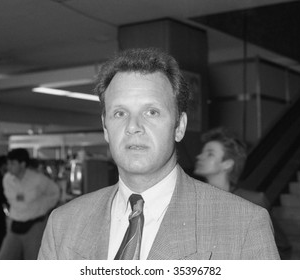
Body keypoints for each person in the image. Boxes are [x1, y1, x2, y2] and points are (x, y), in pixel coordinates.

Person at [38, 48, 279, 260]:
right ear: (105, 128)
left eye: (151, 112)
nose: (133, 126)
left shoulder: (244, 225)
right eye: (120, 113)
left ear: (179, 126)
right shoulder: (63, 224)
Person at [194, 127, 291, 259]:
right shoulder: (193, 201)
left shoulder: (253, 202)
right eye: (202, 152)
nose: (199, 156)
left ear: (227, 164)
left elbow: (281, 248)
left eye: (210, 154)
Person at [0, 148, 60, 260]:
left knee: (33, 259)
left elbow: (55, 192)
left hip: (34, 226)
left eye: (12, 163)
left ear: (22, 164)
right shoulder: (7, 179)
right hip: (15, 226)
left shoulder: (38, 179)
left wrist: (42, 208)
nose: (8, 166)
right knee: (4, 258)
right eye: (8, 163)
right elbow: (11, 199)